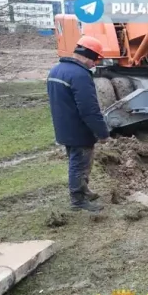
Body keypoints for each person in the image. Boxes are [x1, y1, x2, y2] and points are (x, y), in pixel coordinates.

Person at [47, 35, 110, 212]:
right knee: (80, 164)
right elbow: (89, 110)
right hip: (78, 130)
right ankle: (78, 200)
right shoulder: (80, 75)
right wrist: (102, 133)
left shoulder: (56, 70)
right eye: (95, 60)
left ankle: (84, 190)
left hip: (64, 127)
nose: (95, 64)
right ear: (88, 56)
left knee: (77, 161)